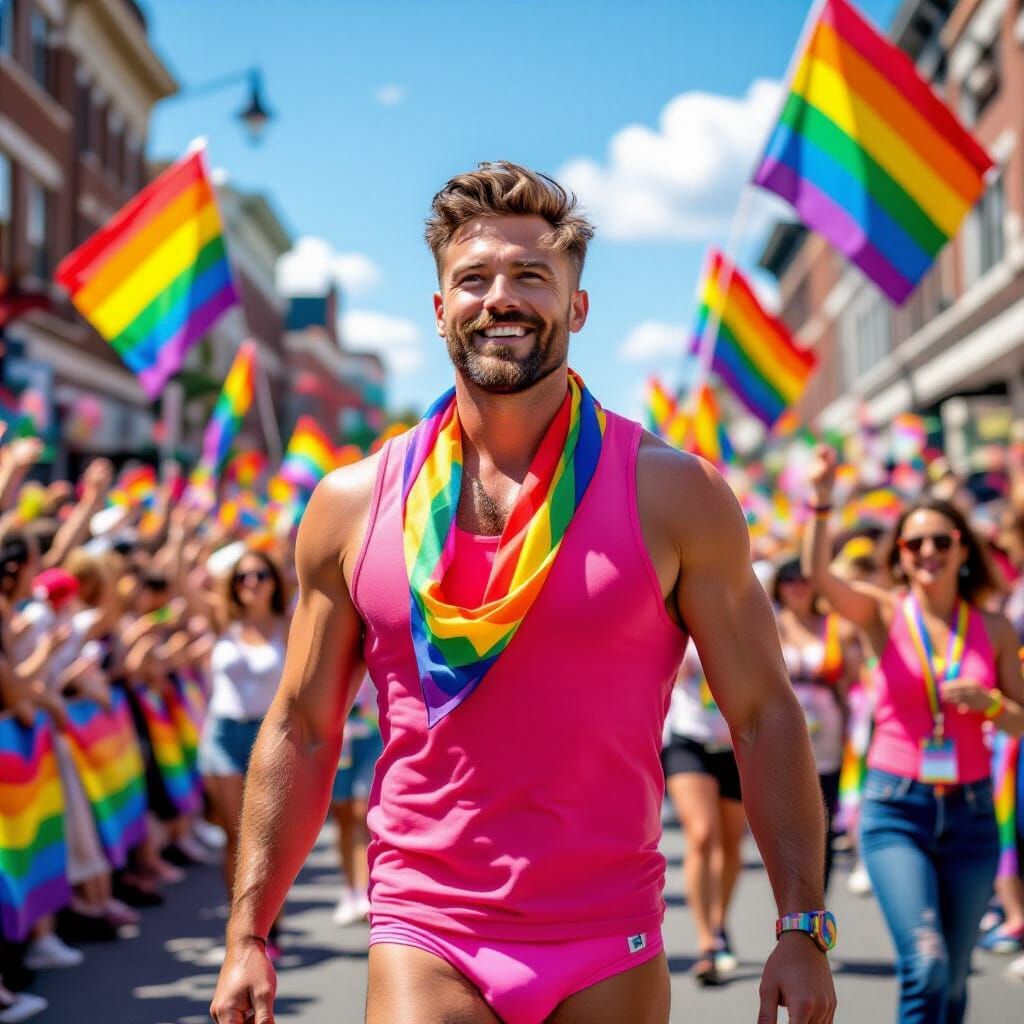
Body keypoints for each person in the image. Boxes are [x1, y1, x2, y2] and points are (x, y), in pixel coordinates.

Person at [211, 162, 837, 1024]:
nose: (500, 297)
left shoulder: (673, 492)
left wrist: (803, 924)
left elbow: (764, 714)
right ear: (439, 311)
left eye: (531, 276)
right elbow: (301, 726)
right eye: (473, 278)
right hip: (425, 925)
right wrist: (248, 932)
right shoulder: (352, 504)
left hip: (607, 933)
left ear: (577, 308)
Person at [803, 445, 1024, 1024]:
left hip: (973, 816)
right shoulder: (883, 611)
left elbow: (1021, 719)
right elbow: (820, 576)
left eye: (942, 541)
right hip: (897, 809)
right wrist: (823, 501)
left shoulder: (995, 628)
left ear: (962, 552)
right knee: (924, 966)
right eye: (914, 543)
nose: (928, 552)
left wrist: (991, 703)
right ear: (900, 555)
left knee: (952, 983)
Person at [195, 547, 289, 952]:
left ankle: (269, 927)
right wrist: (183, 538)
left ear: (274, 582)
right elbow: (184, 583)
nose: (251, 584)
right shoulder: (222, 620)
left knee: (265, 838)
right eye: (242, 578)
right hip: (221, 735)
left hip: (266, 737)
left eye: (260, 576)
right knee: (235, 838)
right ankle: (240, 933)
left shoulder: (289, 624)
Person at [661, 645, 746, 986]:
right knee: (701, 834)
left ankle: (719, 921)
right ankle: (706, 941)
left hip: (735, 741)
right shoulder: (678, 609)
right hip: (687, 738)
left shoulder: (745, 611)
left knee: (730, 845)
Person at [772, 556, 854, 893]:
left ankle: (818, 900)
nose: (797, 588)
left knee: (824, 821)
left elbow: (850, 685)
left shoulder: (835, 626)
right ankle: (793, 898)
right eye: (789, 581)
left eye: (804, 580)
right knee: (789, 824)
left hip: (829, 735)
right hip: (783, 736)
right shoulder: (767, 623)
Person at [330, 674, 382, 926]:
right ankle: (350, 889)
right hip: (339, 738)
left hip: (372, 736)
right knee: (344, 819)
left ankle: (364, 891)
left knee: (363, 815)